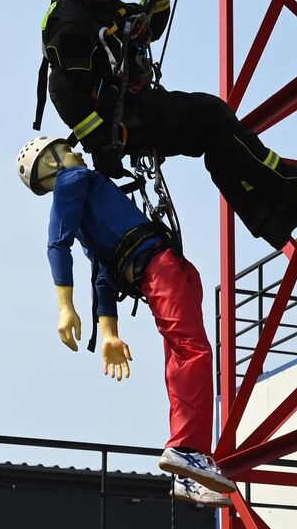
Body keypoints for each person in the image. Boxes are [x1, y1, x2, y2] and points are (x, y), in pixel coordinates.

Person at [36, 0, 297, 250]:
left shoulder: (101, 6)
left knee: (215, 136)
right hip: (119, 124)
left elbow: (147, 26)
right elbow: (64, 91)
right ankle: (292, 189)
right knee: (210, 114)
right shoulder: (72, 22)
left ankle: (267, 215)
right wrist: (100, 146)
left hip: (130, 111)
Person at [17, 135, 238, 507]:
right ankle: (187, 449)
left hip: (158, 272)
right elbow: (57, 243)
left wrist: (110, 333)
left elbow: (102, 274)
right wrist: (65, 306)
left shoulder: (90, 217)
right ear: (53, 163)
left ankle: (187, 471)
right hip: (158, 267)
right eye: (68, 149)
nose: (79, 152)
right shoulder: (74, 180)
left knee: (179, 358)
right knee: (193, 353)